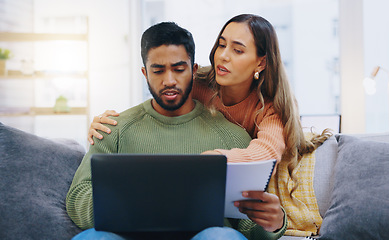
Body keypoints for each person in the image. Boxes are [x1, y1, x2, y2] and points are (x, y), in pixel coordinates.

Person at [88, 14, 331, 237]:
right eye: (221, 44)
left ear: (260, 63)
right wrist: (111, 123)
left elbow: (264, 155)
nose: (223, 55)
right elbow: (162, 93)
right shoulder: (199, 83)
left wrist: (207, 162)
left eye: (238, 50)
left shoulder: (270, 110)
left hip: (233, 178)